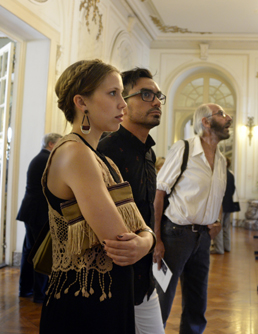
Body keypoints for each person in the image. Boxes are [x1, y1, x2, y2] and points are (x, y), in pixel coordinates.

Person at [39, 59, 156, 334]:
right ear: (82, 102)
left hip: (106, 295)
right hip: (84, 303)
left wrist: (145, 241)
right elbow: (120, 241)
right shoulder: (75, 153)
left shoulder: (101, 159)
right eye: (112, 93)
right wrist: (144, 241)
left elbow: (141, 230)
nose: (123, 104)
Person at [153, 103, 232, 333]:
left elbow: (217, 195)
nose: (229, 119)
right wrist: (157, 239)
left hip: (203, 238)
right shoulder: (184, 149)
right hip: (175, 235)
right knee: (162, 297)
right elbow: (159, 194)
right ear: (206, 122)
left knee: (198, 300)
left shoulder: (221, 160)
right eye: (222, 114)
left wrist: (216, 221)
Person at [98, 67, 164, 334]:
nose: (157, 101)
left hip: (144, 277)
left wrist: (153, 241)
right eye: (147, 94)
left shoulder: (148, 152)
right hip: (112, 283)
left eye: (159, 95)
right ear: (122, 103)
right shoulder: (105, 150)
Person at [17, 132, 62, 303]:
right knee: (41, 253)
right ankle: (40, 294)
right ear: (51, 145)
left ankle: (25, 289)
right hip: (38, 213)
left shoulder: (41, 158)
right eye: (59, 144)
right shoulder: (46, 159)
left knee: (30, 252)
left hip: (31, 212)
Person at [211, 156, 239, 254]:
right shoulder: (231, 174)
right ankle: (227, 247)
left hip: (220, 205)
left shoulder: (219, 174)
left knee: (218, 226)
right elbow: (233, 189)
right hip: (229, 204)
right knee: (226, 227)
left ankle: (219, 249)